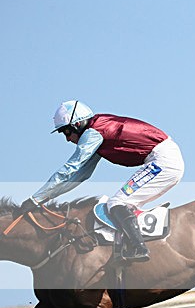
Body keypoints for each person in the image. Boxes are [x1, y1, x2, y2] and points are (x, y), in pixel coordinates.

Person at [19, 100, 185, 262]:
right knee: (121, 203)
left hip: (162, 161)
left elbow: (70, 169)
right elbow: (80, 175)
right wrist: (45, 198)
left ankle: (138, 248)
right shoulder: (98, 130)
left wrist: (36, 198)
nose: (67, 139)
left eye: (66, 132)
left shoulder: (92, 134)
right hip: (163, 158)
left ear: (77, 125)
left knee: (118, 203)